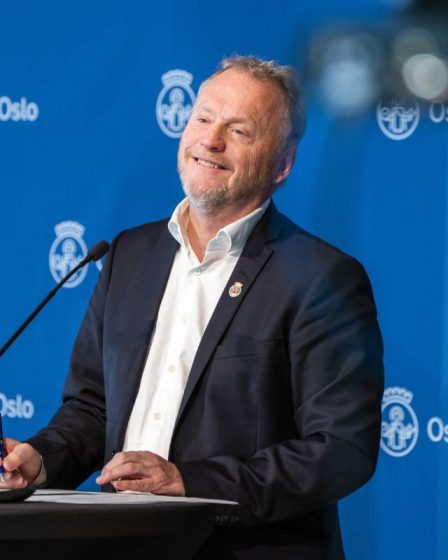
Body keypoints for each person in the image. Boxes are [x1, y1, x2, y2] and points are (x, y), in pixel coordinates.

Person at [0, 56, 384, 559]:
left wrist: (189, 482)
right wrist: (42, 461)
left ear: (283, 164)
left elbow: (341, 449)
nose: (211, 140)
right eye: (203, 118)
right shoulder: (129, 255)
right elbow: (93, 409)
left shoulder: (320, 277)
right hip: (119, 545)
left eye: (239, 130)